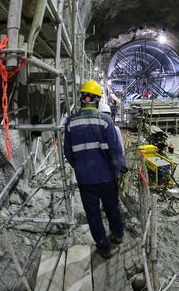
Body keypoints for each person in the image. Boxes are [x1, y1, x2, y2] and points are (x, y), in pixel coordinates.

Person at [63, 80, 128, 259]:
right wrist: (122, 169)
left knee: (92, 213)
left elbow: (68, 152)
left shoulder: (70, 122)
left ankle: (103, 246)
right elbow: (115, 150)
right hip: (107, 175)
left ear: (82, 99)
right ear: (98, 101)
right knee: (112, 207)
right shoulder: (105, 120)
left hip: (85, 179)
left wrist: (80, 167)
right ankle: (117, 234)